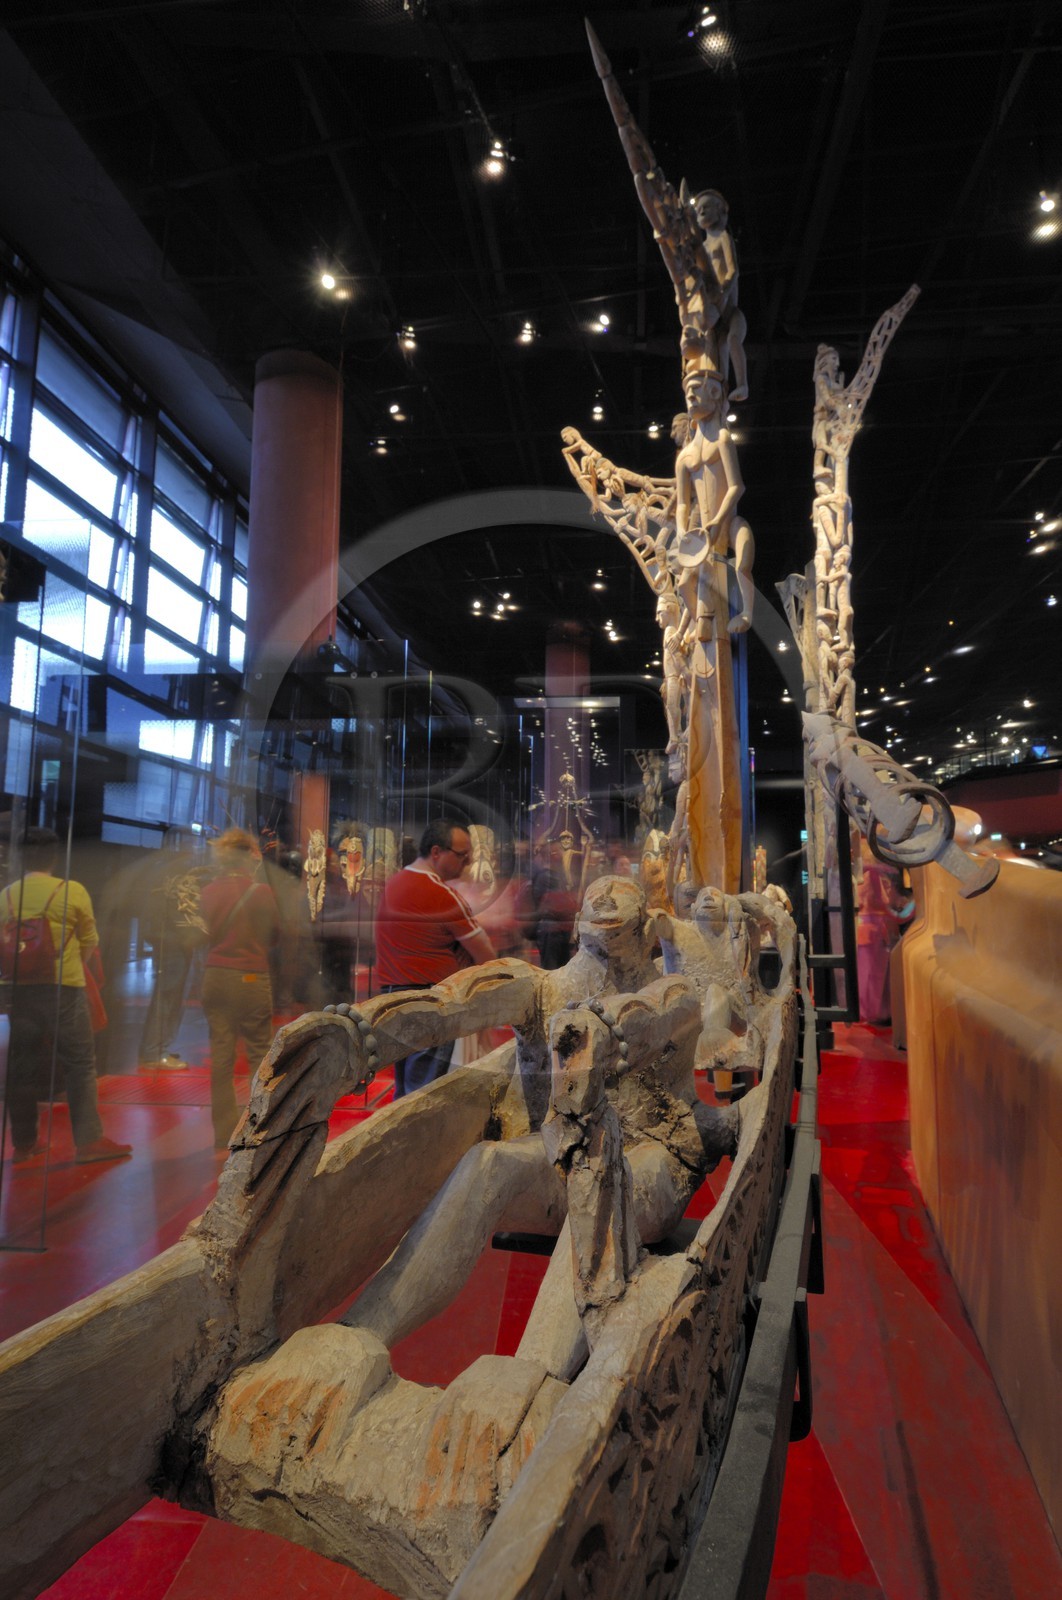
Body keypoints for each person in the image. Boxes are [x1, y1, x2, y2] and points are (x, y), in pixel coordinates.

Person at [2, 826, 131, 1164]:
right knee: (80, 1063)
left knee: (22, 1065)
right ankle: (88, 1141)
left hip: (20, 989)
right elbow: (89, 941)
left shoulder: (7, 896)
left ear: (21, 857)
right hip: (65, 988)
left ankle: (24, 1142)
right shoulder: (71, 891)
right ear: (54, 857)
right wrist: (71, 965)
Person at [373, 818, 496, 1097]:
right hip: (430, 1001)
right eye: (462, 855)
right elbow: (485, 954)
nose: (467, 862)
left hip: (393, 997)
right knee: (425, 1096)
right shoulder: (441, 894)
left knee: (405, 1091)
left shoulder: (394, 883)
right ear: (437, 852)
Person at [200, 828, 280, 1150]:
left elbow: (206, 932)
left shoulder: (208, 891)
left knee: (221, 1054)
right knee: (259, 1051)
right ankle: (257, 1125)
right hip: (250, 976)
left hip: (215, 975)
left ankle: (222, 1131)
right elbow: (273, 935)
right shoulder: (261, 892)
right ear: (248, 855)